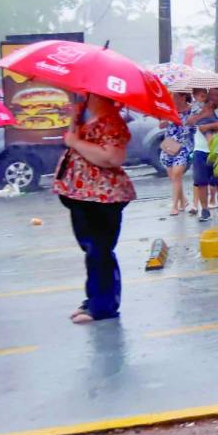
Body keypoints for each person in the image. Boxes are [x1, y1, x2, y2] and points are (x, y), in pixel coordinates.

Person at [55, 94, 136, 324]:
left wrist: (75, 142)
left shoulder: (112, 121)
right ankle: (93, 300)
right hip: (79, 194)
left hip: (102, 196)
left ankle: (103, 306)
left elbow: (112, 157)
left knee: (99, 251)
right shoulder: (82, 112)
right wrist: (74, 126)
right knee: (92, 250)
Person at [187, 87, 218, 222]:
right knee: (201, 181)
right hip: (200, 149)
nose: (214, 98)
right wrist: (204, 113)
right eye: (212, 95)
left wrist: (208, 127)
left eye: (217, 95)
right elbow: (190, 122)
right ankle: (204, 209)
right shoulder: (200, 106)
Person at [159, 91, 196, 216]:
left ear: (183, 97)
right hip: (170, 145)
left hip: (185, 145)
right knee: (173, 177)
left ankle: (175, 206)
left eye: (174, 96)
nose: (171, 98)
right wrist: (167, 119)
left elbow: (195, 126)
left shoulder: (192, 110)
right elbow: (161, 125)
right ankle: (183, 201)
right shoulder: (169, 109)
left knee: (176, 174)